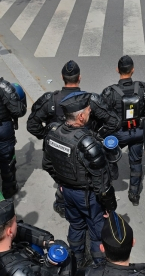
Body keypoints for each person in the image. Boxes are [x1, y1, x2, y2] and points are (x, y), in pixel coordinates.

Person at [27, 60, 119, 215]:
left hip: (61, 153)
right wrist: (97, 137)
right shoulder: (89, 100)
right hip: (84, 153)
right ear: (80, 78)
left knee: (64, 178)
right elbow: (114, 122)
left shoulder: (51, 99)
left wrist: (52, 137)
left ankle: (63, 199)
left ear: (62, 77)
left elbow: (32, 125)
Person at [42, 91, 118, 266]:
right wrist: (109, 207)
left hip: (67, 192)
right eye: (89, 111)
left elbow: (47, 165)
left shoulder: (53, 133)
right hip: (88, 196)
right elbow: (102, 182)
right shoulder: (86, 143)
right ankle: (98, 267)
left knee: (76, 226)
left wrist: (62, 183)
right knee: (97, 232)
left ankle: (77, 261)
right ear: (82, 117)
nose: (90, 114)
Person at [101, 55, 145, 206]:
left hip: (118, 134)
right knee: (136, 162)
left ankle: (110, 179)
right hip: (138, 132)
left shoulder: (109, 92)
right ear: (133, 70)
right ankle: (134, 195)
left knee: (106, 154)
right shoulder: (143, 88)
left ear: (117, 70)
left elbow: (101, 116)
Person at [0, 50, 26, 197]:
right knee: (7, 161)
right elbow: (18, 111)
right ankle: (9, 190)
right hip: (2, 128)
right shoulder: (3, 86)